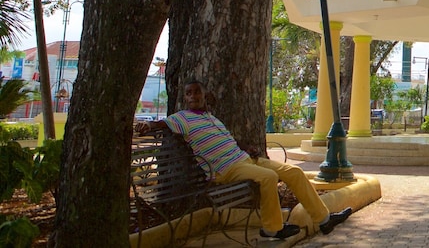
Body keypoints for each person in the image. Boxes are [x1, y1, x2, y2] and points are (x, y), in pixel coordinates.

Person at [136, 81, 352, 239]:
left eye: (197, 93)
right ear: (185, 98)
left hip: (245, 159)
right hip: (224, 169)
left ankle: (324, 220)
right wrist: (149, 126)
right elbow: (161, 124)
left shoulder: (212, 118)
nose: (193, 96)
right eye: (188, 93)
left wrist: (247, 148)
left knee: (293, 172)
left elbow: (229, 139)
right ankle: (271, 229)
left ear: (204, 96)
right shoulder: (181, 118)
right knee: (268, 177)